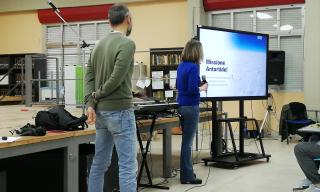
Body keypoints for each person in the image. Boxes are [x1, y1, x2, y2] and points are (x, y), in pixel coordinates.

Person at [85, 4, 137, 192]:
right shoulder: (128, 43)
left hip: (101, 113)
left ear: (109, 22)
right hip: (121, 112)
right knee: (127, 166)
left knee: (99, 164)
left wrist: (90, 103)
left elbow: (88, 75)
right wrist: (96, 95)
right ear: (128, 19)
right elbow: (117, 78)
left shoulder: (97, 45)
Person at [176, 39, 208, 184]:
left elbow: (178, 85)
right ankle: (188, 176)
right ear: (197, 51)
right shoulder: (194, 67)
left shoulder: (181, 65)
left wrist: (196, 84)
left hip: (181, 106)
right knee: (187, 144)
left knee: (185, 143)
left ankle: (185, 175)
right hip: (191, 106)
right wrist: (202, 88)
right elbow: (191, 89)